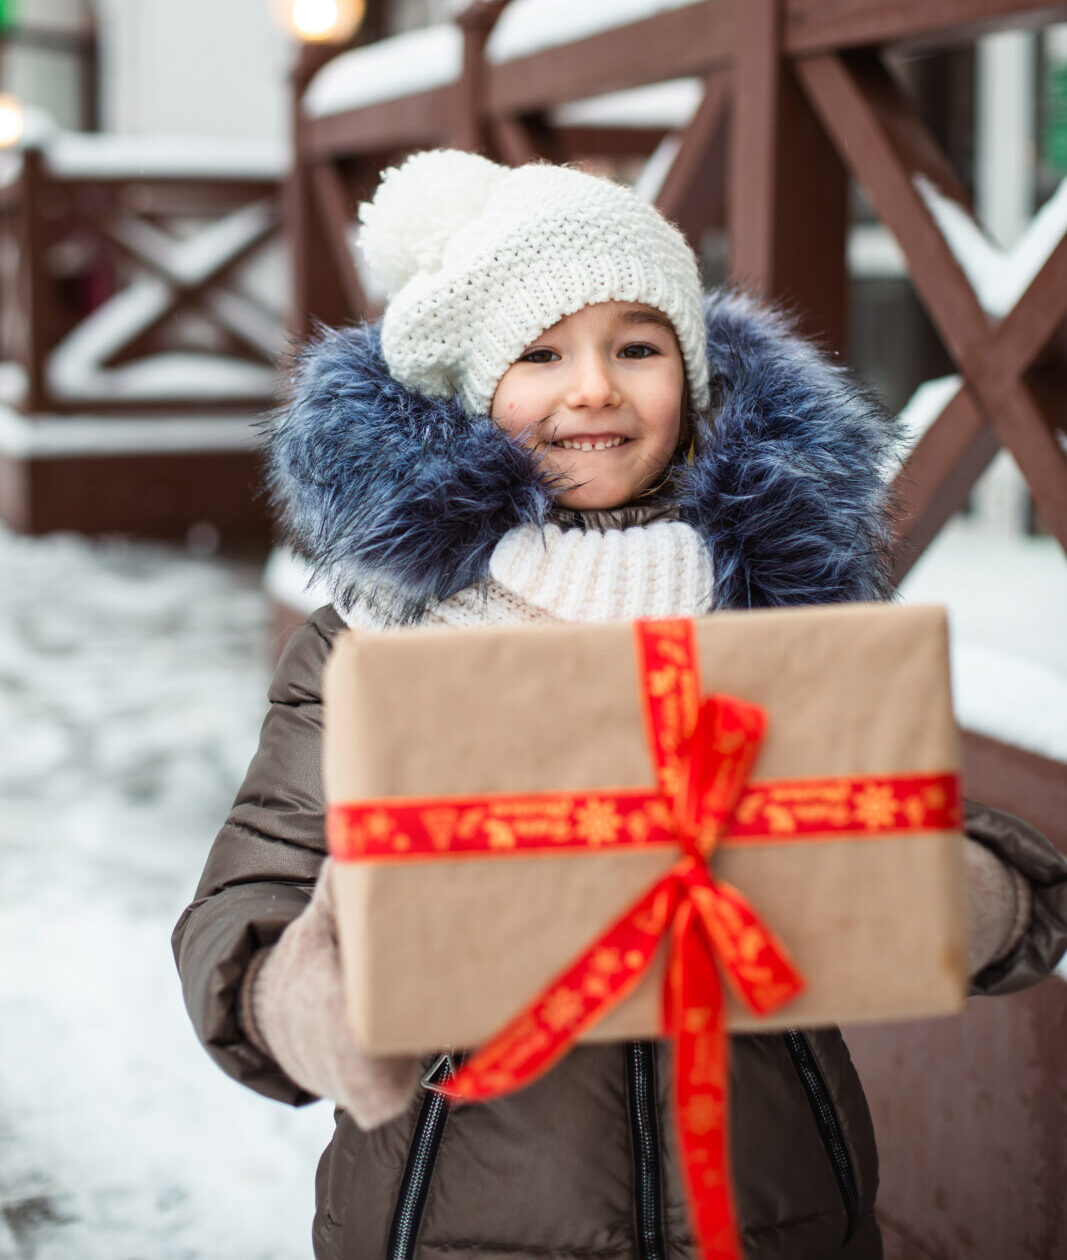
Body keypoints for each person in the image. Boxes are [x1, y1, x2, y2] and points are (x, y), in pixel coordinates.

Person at [172, 149, 1067, 1260]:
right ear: (468, 389)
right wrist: (297, 990)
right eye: (539, 352)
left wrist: (955, 894)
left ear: (688, 383)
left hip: (766, 1198)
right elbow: (247, 894)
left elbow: (939, 833)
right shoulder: (379, 645)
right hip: (461, 1200)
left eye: (636, 347)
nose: (591, 386)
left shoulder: (773, 619)